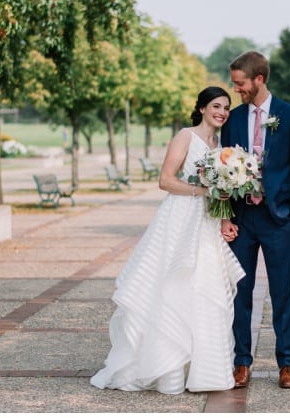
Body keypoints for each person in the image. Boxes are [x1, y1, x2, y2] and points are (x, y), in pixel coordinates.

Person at [91, 86, 245, 395]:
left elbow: (222, 189)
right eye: (216, 105)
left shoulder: (222, 145)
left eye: (226, 107)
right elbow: (165, 180)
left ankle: (204, 371)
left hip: (207, 223)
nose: (222, 112)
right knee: (173, 286)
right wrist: (203, 190)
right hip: (179, 219)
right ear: (201, 108)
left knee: (206, 291)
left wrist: (226, 220)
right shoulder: (185, 137)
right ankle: (168, 370)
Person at [220, 50, 290, 390]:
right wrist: (226, 216)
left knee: (282, 292)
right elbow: (225, 166)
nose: (237, 90)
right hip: (243, 218)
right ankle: (241, 362)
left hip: (277, 219)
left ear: (259, 79)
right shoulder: (233, 119)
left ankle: (286, 364)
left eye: (240, 84)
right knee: (240, 291)